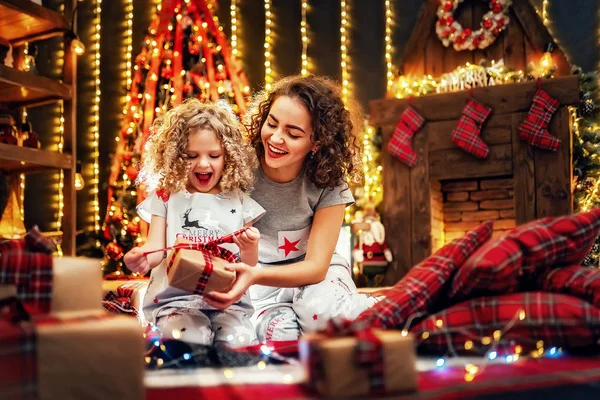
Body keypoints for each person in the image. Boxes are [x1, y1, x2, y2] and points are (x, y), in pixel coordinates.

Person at [204, 75, 379, 340]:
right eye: (271, 124)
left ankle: (381, 309)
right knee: (279, 335)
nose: (275, 138)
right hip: (262, 284)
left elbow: (317, 267)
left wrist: (255, 274)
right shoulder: (239, 168)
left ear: (317, 142)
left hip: (315, 276)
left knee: (320, 314)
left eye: (293, 133)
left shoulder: (329, 181)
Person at [123, 99, 265, 347]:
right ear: (176, 156)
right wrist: (143, 258)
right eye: (191, 155)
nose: (202, 163)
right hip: (175, 302)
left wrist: (249, 246)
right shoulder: (167, 196)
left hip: (228, 303)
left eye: (214, 155)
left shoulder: (241, 202)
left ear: (228, 157)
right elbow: (155, 248)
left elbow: (250, 264)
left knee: (239, 342)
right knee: (187, 339)